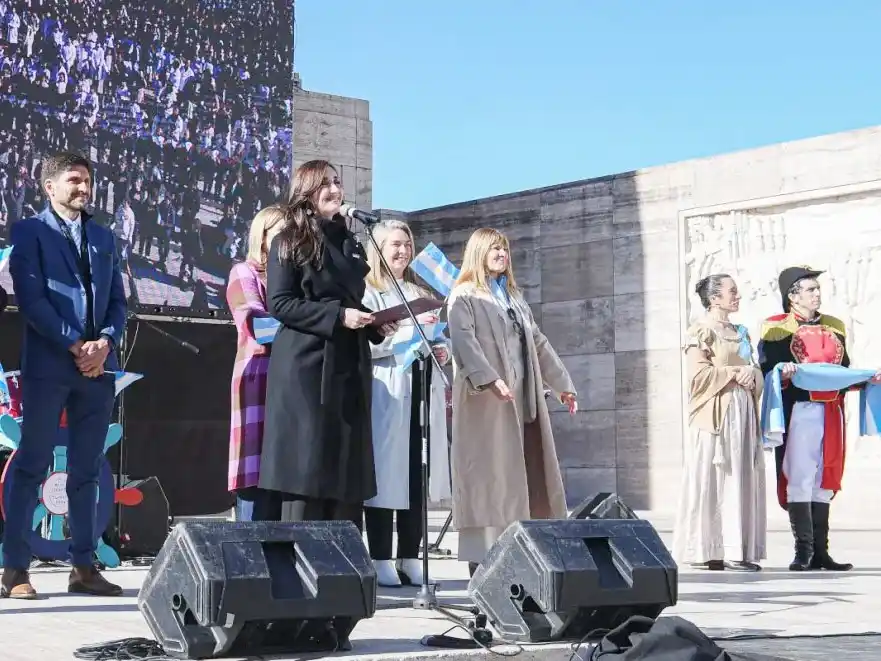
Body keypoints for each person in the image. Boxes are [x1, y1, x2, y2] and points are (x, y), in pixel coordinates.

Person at [3, 152, 126, 599]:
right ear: (49, 187)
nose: (84, 188)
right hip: (50, 366)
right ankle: (15, 569)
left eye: (88, 180)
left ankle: (84, 566)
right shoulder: (29, 232)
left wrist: (106, 342)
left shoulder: (102, 236)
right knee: (33, 463)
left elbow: (117, 300)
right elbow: (32, 300)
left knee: (87, 470)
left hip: (97, 369)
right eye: (75, 180)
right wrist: (77, 345)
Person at [258, 160, 395, 525]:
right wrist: (338, 316)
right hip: (306, 366)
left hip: (348, 364)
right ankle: (298, 567)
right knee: (307, 466)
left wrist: (375, 324)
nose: (336, 190)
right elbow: (281, 303)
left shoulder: (348, 241)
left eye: (337, 182)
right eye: (326, 184)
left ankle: (343, 572)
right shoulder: (288, 240)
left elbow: (350, 303)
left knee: (345, 467)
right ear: (306, 192)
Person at [447, 227, 577, 576]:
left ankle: (520, 558)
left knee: (522, 476)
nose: (502, 254)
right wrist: (489, 378)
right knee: (491, 479)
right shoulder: (464, 296)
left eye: (504, 249)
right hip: (486, 403)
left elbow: (538, 343)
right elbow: (464, 342)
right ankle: (483, 565)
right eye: (494, 249)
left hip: (521, 399)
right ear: (478, 253)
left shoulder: (514, 299)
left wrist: (562, 384)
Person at [758, 266, 879, 571]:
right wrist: (782, 371)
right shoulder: (776, 327)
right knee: (799, 474)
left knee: (825, 477)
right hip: (801, 409)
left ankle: (821, 552)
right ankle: (803, 552)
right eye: (810, 289)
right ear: (793, 296)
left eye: (817, 289)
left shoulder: (834, 326)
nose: (817, 294)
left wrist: (865, 380)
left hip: (832, 410)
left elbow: (843, 369)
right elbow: (768, 367)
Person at [361, 219, 452, 587]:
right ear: (379, 248)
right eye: (394, 244)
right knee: (386, 475)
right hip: (386, 390)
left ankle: (410, 554)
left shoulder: (417, 290)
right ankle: (381, 555)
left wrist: (440, 348)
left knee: (417, 473)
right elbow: (367, 344)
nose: (402, 251)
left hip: (418, 390)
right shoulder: (367, 291)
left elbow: (432, 336)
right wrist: (410, 333)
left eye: (407, 244)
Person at [672, 274, 766, 572]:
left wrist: (754, 374)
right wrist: (733, 372)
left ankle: (738, 550)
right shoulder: (700, 332)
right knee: (714, 479)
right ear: (714, 299)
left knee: (740, 477)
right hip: (716, 414)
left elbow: (754, 370)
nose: (737, 296)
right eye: (732, 292)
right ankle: (707, 549)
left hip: (743, 413)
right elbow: (698, 378)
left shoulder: (742, 332)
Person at [225, 206, 284, 521]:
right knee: (256, 473)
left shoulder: (297, 275)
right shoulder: (244, 272)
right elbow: (255, 323)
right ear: (262, 238)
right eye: (281, 232)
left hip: (292, 381)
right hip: (259, 377)